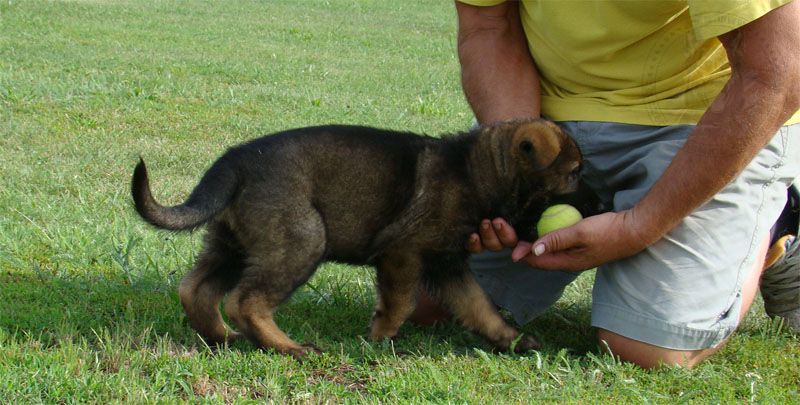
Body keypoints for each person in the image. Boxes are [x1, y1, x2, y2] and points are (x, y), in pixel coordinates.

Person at [411, 0, 800, 369]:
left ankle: (773, 223)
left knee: (649, 349)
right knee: (418, 295)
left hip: (695, 122)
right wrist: (521, 169)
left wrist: (639, 226)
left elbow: (777, 70)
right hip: (548, 119)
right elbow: (489, 26)